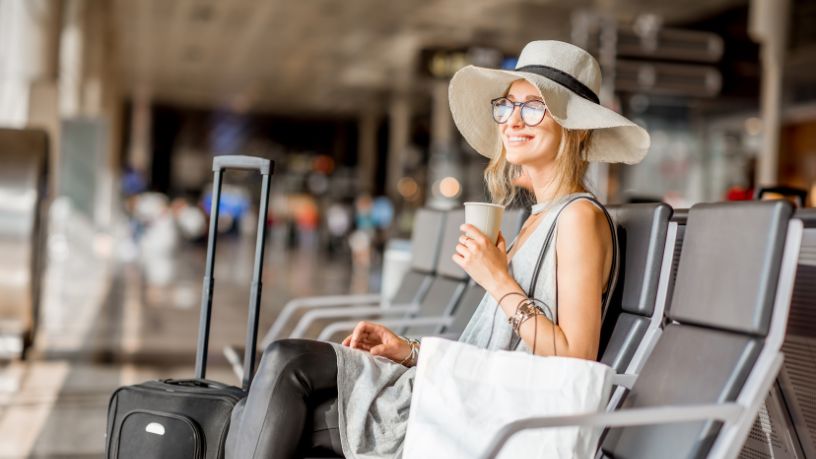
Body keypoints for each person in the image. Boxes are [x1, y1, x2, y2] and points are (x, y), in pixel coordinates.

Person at [225, 40, 650, 458]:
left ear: (575, 128)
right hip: (476, 397)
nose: (513, 121)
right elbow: (495, 351)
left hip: (499, 416)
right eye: (507, 106)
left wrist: (497, 278)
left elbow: (575, 360)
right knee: (272, 383)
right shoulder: (538, 218)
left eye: (534, 107)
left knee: (286, 369)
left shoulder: (578, 217)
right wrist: (409, 351)